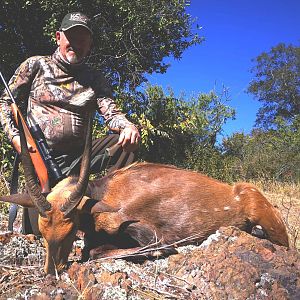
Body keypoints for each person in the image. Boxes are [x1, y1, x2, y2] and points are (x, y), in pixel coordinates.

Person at [0, 12, 140, 233]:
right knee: (41, 231)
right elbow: (5, 102)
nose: (77, 44)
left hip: (79, 161)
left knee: (123, 144)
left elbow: (112, 113)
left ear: (89, 45)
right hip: (39, 159)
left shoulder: (94, 78)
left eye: (83, 39)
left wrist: (128, 126)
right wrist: (16, 138)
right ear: (58, 37)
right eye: (72, 37)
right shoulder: (35, 65)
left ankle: (110, 212)